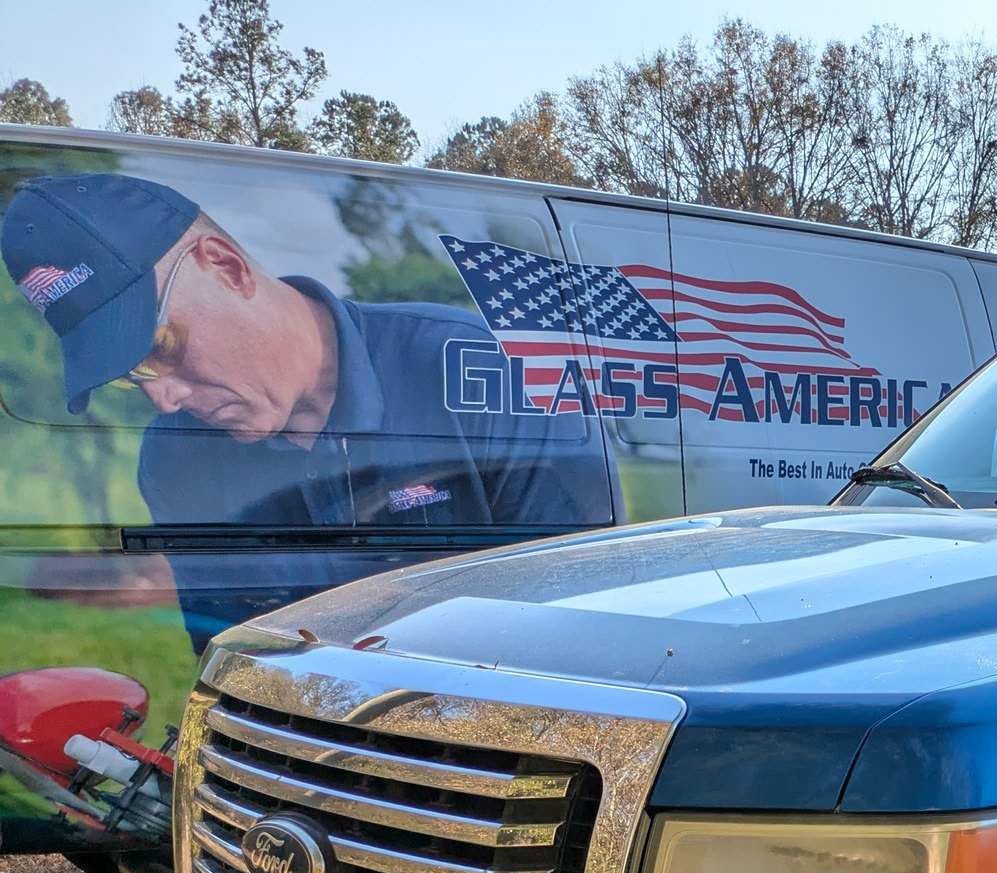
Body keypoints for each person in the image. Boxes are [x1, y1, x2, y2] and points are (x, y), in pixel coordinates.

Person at [4, 171, 611, 649]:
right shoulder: (175, 456)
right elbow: (234, 657)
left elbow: (578, 622)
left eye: (162, 347)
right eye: (131, 375)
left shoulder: (486, 371)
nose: (163, 397)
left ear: (227, 266)